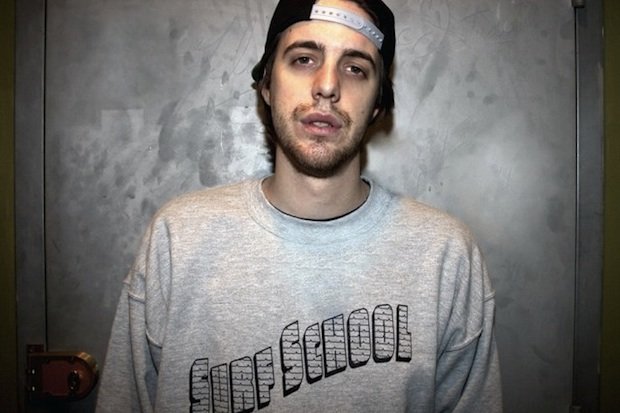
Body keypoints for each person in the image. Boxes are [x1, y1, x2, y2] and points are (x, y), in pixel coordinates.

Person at [96, 0, 503, 411]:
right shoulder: (178, 239)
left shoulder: (444, 255)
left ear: (377, 104)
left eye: (355, 68)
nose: (327, 85)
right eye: (304, 59)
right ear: (267, 86)